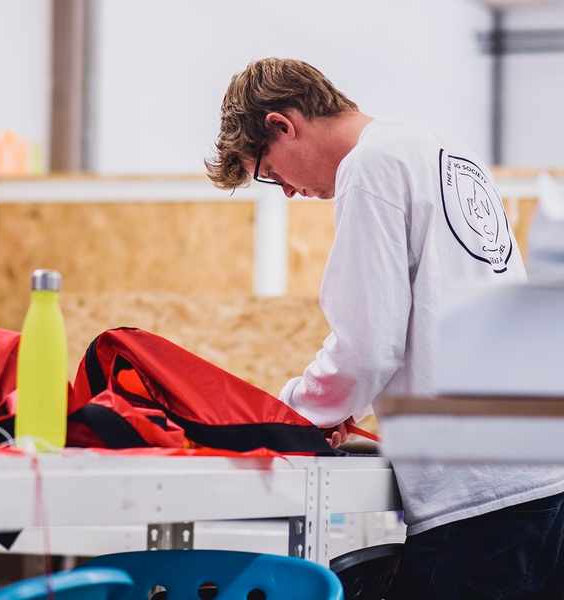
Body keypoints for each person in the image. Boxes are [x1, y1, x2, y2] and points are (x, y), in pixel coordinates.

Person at [206, 57, 564, 599]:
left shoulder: (369, 168)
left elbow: (369, 344)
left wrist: (294, 414)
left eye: (270, 171)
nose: (285, 191)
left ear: (283, 125)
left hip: (475, 496)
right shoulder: (437, 149)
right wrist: (347, 403)